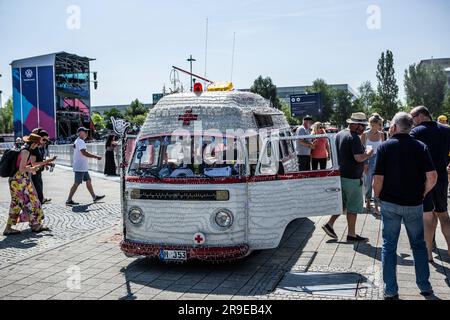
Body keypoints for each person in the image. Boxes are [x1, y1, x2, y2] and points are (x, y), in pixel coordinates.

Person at [373, 112, 436, 300]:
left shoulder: (385, 147)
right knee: (418, 245)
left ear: (393, 127)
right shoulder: (421, 147)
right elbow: (432, 176)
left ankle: (391, 289)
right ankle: (424, 286)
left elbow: (378, 178)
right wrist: (423, 193)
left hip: (390, 203)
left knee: (389, 246)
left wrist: (377, 197)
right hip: (414, 204)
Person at [322, 113, 373, 242]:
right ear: (355, 124)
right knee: (353, 207)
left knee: (342, 204)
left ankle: (329, 224)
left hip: (341, 175)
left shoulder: (340, 134)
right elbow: (358, 157)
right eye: (362, 125)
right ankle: (351, 234)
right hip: (352, 178)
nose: (364, 128)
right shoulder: (354, 137)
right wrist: (368, 154)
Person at [410, 106, 450, 261]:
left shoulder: (416, 132)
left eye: (412, 117)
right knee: (444, 215)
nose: (412, 120)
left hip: (424, 179)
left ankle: (427, 255)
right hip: (441, 178)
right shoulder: (446, 130)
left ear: (420, 116)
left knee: (427, 217)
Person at [3, 134, 55, 236]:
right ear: (34, 143)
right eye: (38, 143)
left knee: (32, 201)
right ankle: (9, 228)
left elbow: (22, 166)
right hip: (18, 181)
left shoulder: (25, 150)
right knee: (19, 203)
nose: (38, 146)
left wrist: (34, 167)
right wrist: (31, 169)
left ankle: (35, 224)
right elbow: (22, 169)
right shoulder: (26, 151)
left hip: (20, 180)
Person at [66, 127, 105, 206]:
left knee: (88, 180)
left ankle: (94, 197)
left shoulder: (78, 141)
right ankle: (69, 200)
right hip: (80, 167)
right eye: (85, 131)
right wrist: (95, 156)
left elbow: (83, 153)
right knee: (76, 183)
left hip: (82, 166)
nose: (87, 133)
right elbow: (84, 152)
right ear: (80, 132)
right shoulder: (80, 141)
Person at [361, 114, 385, 214]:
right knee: (368, 183)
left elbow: (383, 149)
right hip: (368, 160)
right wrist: (365, 163)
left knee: (378, 184)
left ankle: (376, 206)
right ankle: (367, 202)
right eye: (379, 124)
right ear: (373, 124)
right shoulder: (365, 134)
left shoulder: (382, 134)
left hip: (379, 160)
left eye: (381, 124)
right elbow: (362, 150)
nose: (381, 126)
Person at [30, 128, 56, 204]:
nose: (45, 142)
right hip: (33, 173)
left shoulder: (40, 148)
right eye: (44, 140)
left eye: (46, 141)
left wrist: (46, 164)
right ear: (38, 138)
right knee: (37, 193)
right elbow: (33, 163)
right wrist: (48, 161)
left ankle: (42, 201)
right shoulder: (34, 148)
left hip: (38, 172)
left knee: (40, 191)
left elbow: (39, 161)